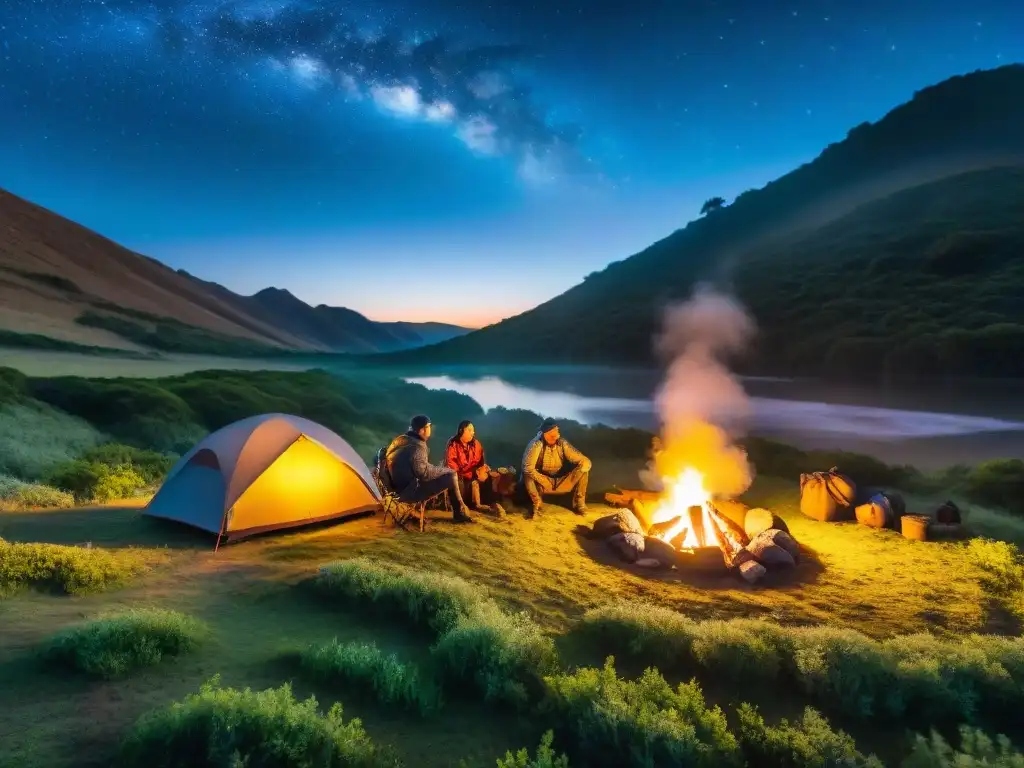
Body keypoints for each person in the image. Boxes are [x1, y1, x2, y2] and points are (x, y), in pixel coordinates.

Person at [385, 414, 474, 523]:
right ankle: (459, 513)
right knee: (451, 475)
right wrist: (444, 470)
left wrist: (437, 469)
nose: (430, 429)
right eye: (429, 426)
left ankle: (460, 509)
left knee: (446, 472)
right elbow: (424, 473)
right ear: (422, 430)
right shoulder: (417, 446)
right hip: (409, 492)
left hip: (396, 490)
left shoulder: (401, 440)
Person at [521, 417, 592, 518]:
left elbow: (584, 460)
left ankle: (580, 504)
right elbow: (527, 467)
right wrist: (543, 480)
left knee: (584, 470)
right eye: (550, 431)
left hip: (561, 481)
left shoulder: (562, 443)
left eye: (555, 430)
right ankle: (537, 503)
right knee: (527, 474)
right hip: (542, 482)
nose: (553, 435)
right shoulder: (536, 444)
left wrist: (584, 466)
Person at [445, 420, 505, 516]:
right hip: (461, 477)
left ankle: (492, 504)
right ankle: (460, 508)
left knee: (488, 477)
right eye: (469, 430)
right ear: (461, 431)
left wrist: (483, 471)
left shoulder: (476, 444)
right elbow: (452, 465)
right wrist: (470, 474)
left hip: (473, 475)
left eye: (473, 430)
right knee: (457, 482)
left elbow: (481, 462)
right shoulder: (453, 444)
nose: (473, 432)